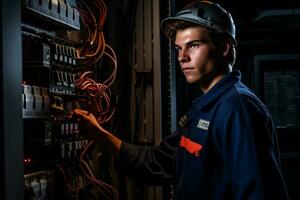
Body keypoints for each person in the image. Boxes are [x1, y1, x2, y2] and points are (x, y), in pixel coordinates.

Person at [71, 1, 289, 199]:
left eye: (193, 45)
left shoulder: (238, 108)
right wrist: (98, 134)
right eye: (178, 48)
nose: (182, 57)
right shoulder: (205, 108)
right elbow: (157, 162)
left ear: (224, 48)